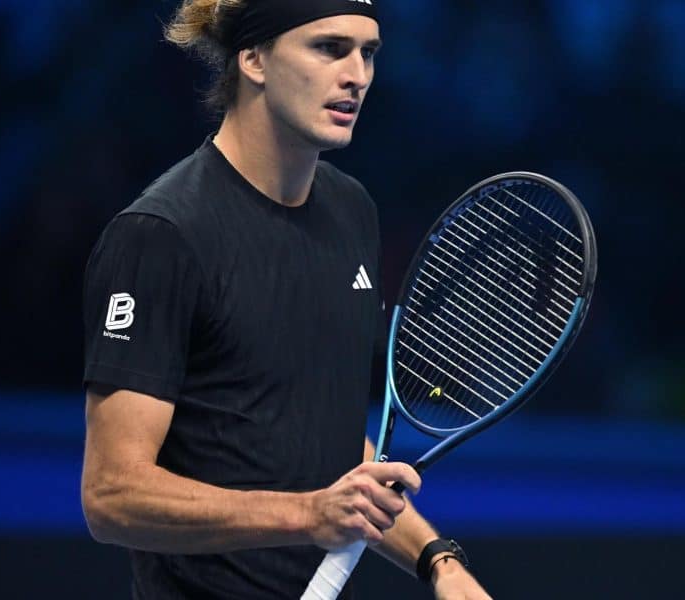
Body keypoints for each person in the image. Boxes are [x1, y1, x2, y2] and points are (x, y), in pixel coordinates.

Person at [79, 1, 492, 598]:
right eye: (329, 48)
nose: (358, 74)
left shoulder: (353, 213)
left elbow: (324, 432)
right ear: (253, 59)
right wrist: (309, 514)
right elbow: (110, 496)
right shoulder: (160, 236)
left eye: (368, 52)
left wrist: (438, 562)